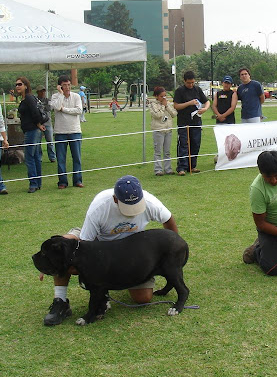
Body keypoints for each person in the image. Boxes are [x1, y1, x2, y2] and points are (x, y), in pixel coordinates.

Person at [42, 175, 179, 325]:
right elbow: (85, 246)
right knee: (65, 247)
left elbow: (168, 220)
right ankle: (61, 301)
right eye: (128, 206)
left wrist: (173, 254)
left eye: (136, 205)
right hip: (98, 245)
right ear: (115, 199)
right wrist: (50, 259)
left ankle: (107, 287)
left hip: (130, 251)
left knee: (143, 298)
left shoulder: (151, 202)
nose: (133, 211)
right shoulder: (99, 207)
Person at [173, 70, 210, 176]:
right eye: (189, 83)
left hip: (196, 121)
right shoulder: (179, 91)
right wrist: (189, 103)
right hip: (183, 121)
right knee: (183, 144)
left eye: (193, 82)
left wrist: (205, 108)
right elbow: (176, 106)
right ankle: (181, 167)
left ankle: (192, 166)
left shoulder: (197, 89)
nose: (191, 85)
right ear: (184, 81)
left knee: (195, 143)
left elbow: (206, 101)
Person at [50, 75, 84, 189]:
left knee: (77, 157)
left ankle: (78, 180)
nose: (68, 87)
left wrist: (64, 110)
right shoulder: (55, 96)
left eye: (69, 85)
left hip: (75, 130)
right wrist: (60, 94)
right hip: (60, 132)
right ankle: (62, 182)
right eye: (64, 85)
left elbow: (79, 110)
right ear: (60, 86)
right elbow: (57, 106)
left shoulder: (76, 96)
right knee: (61, 158)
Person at [16, 76, 46, 193]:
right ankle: (37, 183)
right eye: (17, 84)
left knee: (29, 157)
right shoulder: (25, 99)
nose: (18, 86)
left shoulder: (28, 98)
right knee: (36, 157)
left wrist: (38, 124)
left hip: (32, 130)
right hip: (32, 130)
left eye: (20, 84)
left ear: (26, 86)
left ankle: (33, 183)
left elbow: (35, 112)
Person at [148, 86, 177, 176]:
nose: (164, 98)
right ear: (156, 96)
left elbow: (174, 113)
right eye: (161, 96)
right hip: (158, 130)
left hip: (168, 130)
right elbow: (157, 115)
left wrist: (167, 105)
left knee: (167, 151)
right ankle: (158, 170)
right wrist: (163, 106)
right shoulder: (152, 104)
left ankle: (168, 169)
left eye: (165, 96)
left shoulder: (167, 103)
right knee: (158, 151)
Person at [36, 87, 56, 163]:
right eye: (41, 91)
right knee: (38, 142)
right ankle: (39, 157)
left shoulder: (48, 100)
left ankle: (52, 157)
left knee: (50, 141)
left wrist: (43, 106)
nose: (43, 93)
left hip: (48, 123)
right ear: (38, 92)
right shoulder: (35, 100)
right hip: (39, 123)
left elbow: (50, 108)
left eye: (44, 91)